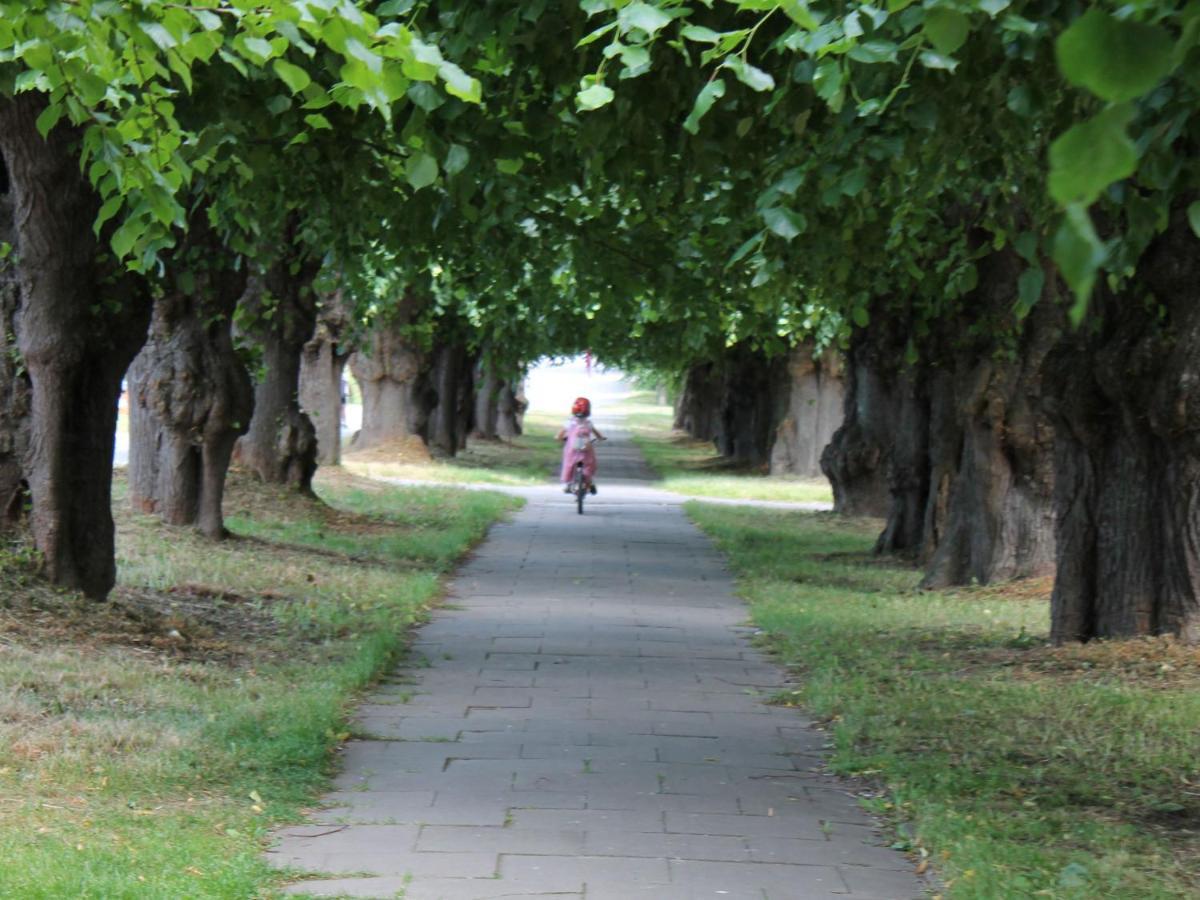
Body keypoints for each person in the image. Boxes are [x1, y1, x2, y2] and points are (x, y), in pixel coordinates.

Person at [557, 396, 605, 493]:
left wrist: (558, 438)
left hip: (572, 450)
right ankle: (589, 483)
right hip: (586, 451)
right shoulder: (588, 423)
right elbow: (597, 434)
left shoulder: (569, 423)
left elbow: (560, 435)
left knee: (568, 464)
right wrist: (601, 438)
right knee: (589, 465)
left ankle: (568, 483)